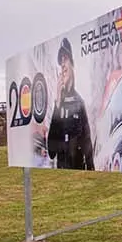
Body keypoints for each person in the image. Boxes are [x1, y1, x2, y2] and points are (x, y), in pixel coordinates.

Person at [47, 37, 93, 170]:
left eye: (65, 58)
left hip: (78, 175)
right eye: (60, 60)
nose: (62, 64)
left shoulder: (80, 103)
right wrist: (57, 104)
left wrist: (94, 174)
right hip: (62, 176)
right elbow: (51, 151)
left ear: (72, 64)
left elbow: (87, 146)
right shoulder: (58, 105)